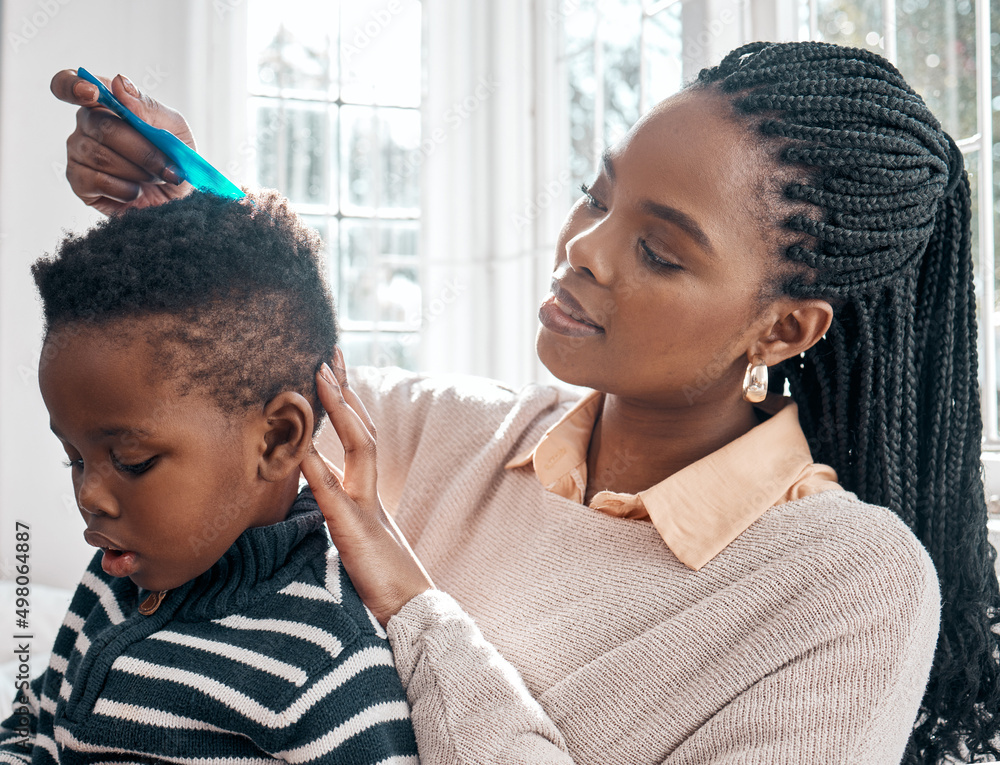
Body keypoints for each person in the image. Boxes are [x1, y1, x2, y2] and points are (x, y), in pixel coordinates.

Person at [49, 40, 1000, 764]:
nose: (583, 247)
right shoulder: (449, 434)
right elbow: (257, 388)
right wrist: (187, 201)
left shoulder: (851, 587)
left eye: (660, 251)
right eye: (596, 197)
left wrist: (412, 602)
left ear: (785, 330)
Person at [0, 191, 419, 763]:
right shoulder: (113, 581)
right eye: (73, 457)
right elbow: (35, 728)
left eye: (132, 462)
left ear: (275, 440)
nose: (89, 495)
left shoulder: (324, 665)